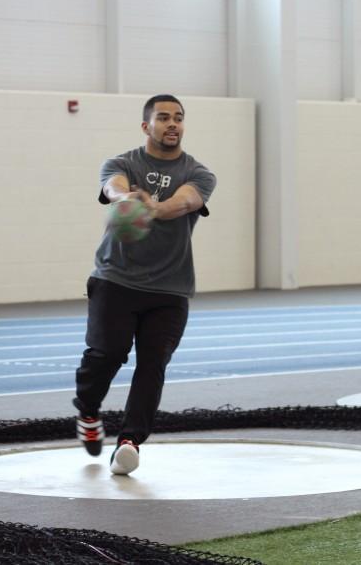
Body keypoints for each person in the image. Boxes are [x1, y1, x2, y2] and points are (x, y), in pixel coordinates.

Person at [74, 94, 216, 475]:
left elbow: (186, 202)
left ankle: (129, 441)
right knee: (105, 356)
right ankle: (87, 410)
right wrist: (127, 199)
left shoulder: (199, 173)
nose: (173, 124)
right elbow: (113, 186)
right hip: (115, 280)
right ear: (146, 126)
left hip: (169, 290)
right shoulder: (121, 163)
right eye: (164, 118)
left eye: (179, 118)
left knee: (152, 364)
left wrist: (153, 207)